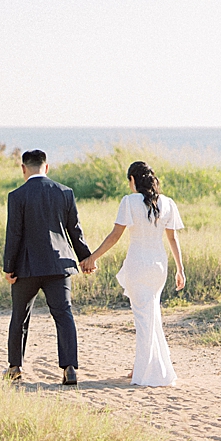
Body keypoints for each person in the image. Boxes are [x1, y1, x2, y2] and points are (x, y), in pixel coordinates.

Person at [81, 160, 185, 387]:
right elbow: (172, 238)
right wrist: (180, 269)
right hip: (159, 266)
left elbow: (115, 236)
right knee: (152, 315)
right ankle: (146, 366)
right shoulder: (167, 203)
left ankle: (147, 372)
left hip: (138, 265)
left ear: (132, 180)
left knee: (144, 319)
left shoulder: (129, 202)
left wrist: (93, 257)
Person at [1, 149, 94, 386]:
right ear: (47, 167)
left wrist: (8, 267)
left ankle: (14, 367)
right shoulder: (65, 192)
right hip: (59, 265)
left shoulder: (17, 195)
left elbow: (14, 234)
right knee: (64, 315)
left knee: (19, 316)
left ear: (23, 168)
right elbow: (75, 230)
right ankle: (70, 369)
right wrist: (85, 258)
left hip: (26, 267)